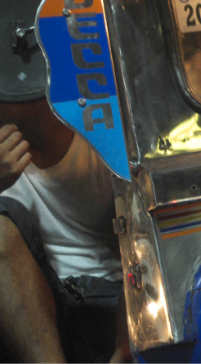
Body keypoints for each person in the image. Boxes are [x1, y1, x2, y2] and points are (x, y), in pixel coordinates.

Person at [0, 98, 128, 363]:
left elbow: (152, 242)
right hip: (35, 305)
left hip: (116, 302)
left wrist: (125, 350)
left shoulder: (102, 131)